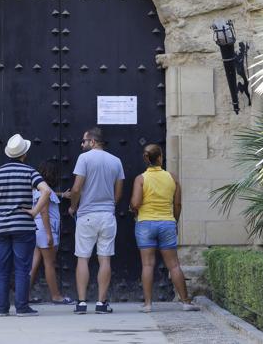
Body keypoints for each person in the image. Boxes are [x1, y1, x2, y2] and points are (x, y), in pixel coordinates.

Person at [129, 144, 200, 313]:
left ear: (146, 159)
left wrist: (132, 207)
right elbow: (178, 204)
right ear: (160, 157)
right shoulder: (172, 177)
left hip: (145, 224)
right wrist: (174, 221)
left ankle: (147, 304)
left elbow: (136, 203)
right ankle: (185, 302)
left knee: (147, 265)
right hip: (167, 223)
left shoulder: (141, 179)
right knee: (174, 265)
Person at [0, 134, 51, 317]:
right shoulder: (29, 172)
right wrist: (34, 212)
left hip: (1, 227)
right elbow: (46, 191)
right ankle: (22, 308)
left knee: (2, 268)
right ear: (24, 153)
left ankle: (2, 308)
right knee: (22, 268)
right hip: (23, 226)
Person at [68, 127, 124, 314]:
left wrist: (74, 206)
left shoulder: (84, 159)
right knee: (105, 259)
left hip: (87, 215)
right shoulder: (116, 161)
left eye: (84, 141)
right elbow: (118, 193)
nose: (82, 144)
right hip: (107, 216)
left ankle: (81, 303)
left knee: (83, 258)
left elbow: (76, 189)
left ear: (93, 142)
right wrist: (109, 206)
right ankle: (101, 303)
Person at [29, 160, 74, 305]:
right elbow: (44, 212)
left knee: (34, 263)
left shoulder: (41, 189)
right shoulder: (46, 192)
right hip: (45, 229)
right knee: (49, 263)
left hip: (37, 229)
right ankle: (56, 296)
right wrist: (49, 234)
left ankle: (24, 295)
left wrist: (62, 195)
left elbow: (50, 196)